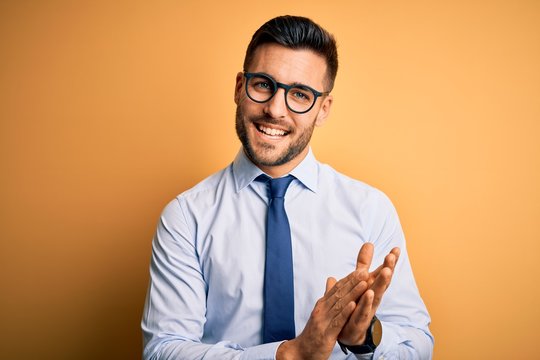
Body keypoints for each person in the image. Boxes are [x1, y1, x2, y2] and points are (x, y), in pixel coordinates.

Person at [142, 15, 433, 360]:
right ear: (239, 87)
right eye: (263, 84)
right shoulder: (186, 217)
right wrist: (290, 354)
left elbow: (417, 344)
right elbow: (163, 350)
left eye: (299, 94)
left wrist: (365, 338)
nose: (275, 110)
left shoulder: (370, 209)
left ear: (323, 109)